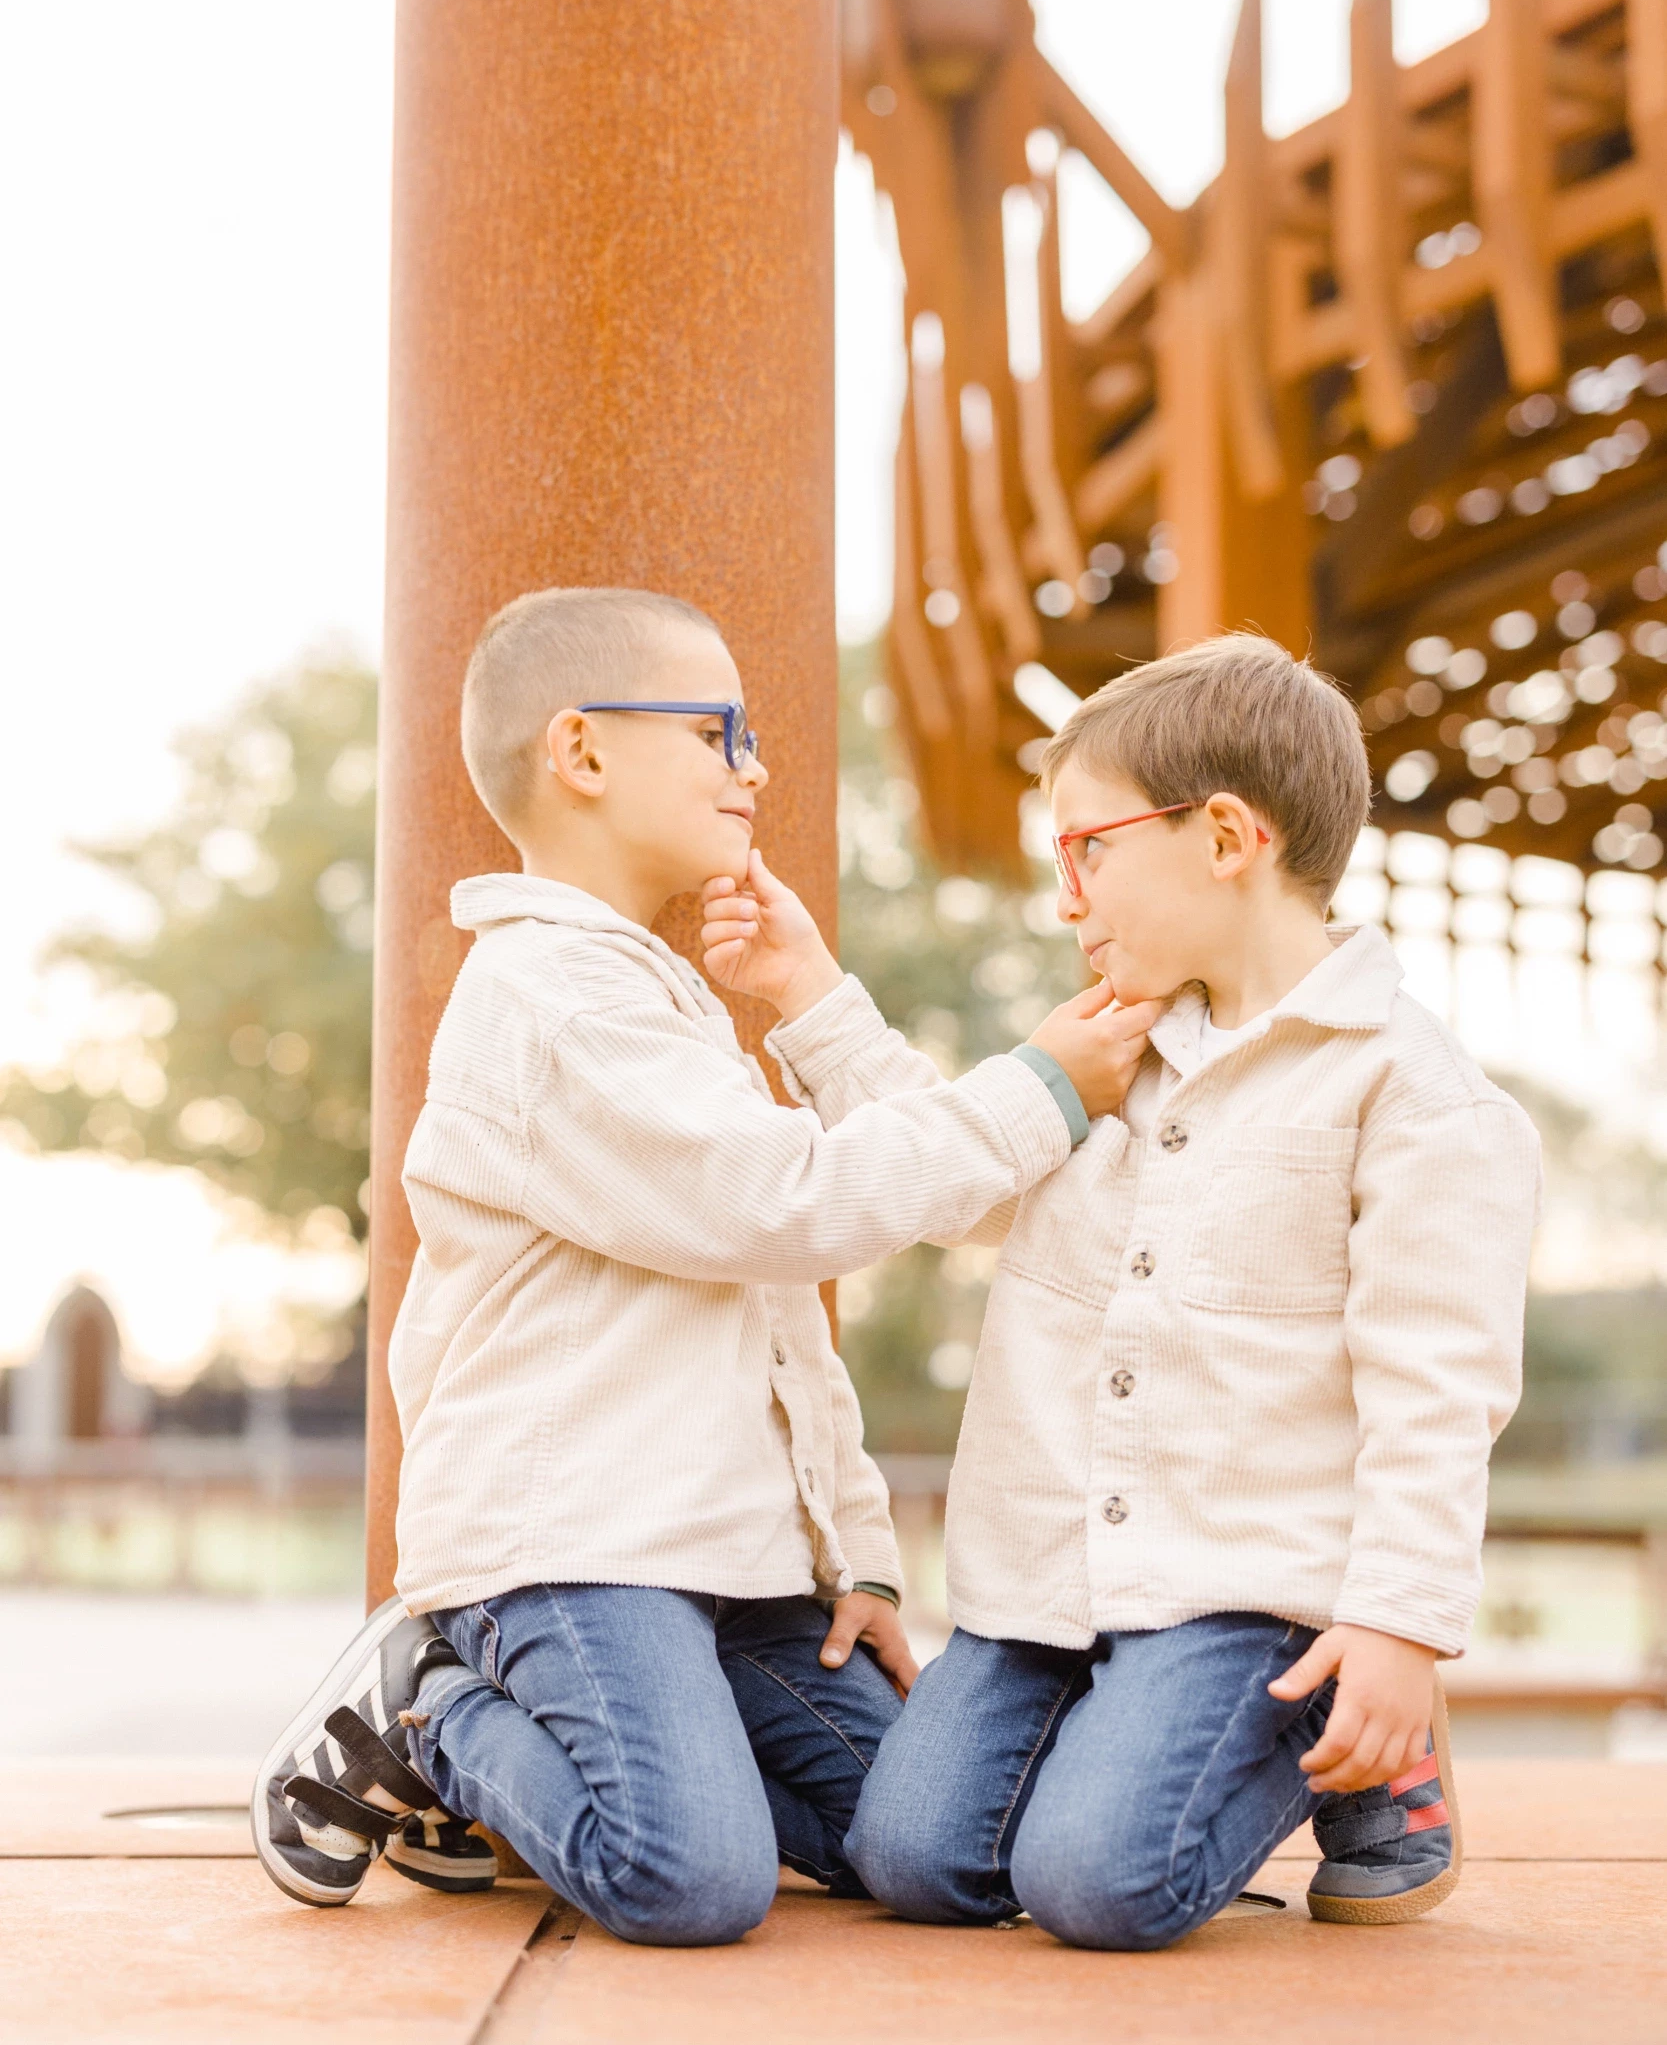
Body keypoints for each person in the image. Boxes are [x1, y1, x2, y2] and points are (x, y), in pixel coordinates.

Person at [252, 585, 1153, 1939]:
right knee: (688, 1876)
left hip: (733, 1564)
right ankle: (428, 1698)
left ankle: (584, 1759)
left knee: (932, 1844)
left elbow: (785, 1314)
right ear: (582, 752)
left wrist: (853, 1555)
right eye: (722, 730)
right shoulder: (553, 999)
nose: (757, 764)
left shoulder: (659, 1001)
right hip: (577, 1546)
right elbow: (786, 1205)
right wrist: (1042, 1082)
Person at [700, 633, 1540, 1946]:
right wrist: (805, 990)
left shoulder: (1415, 1101)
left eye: (1087, 849)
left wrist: (1396, 1628)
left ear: (1223, 837)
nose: (1065, 899)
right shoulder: (1107, 1045)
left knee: (1098, 1884)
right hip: (1047, 1585)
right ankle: (1136, 1749)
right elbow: (965, 1179)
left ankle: (1377, 1748)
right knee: (912, 1862)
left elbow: (1434, 1393)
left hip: (1246, 1590)